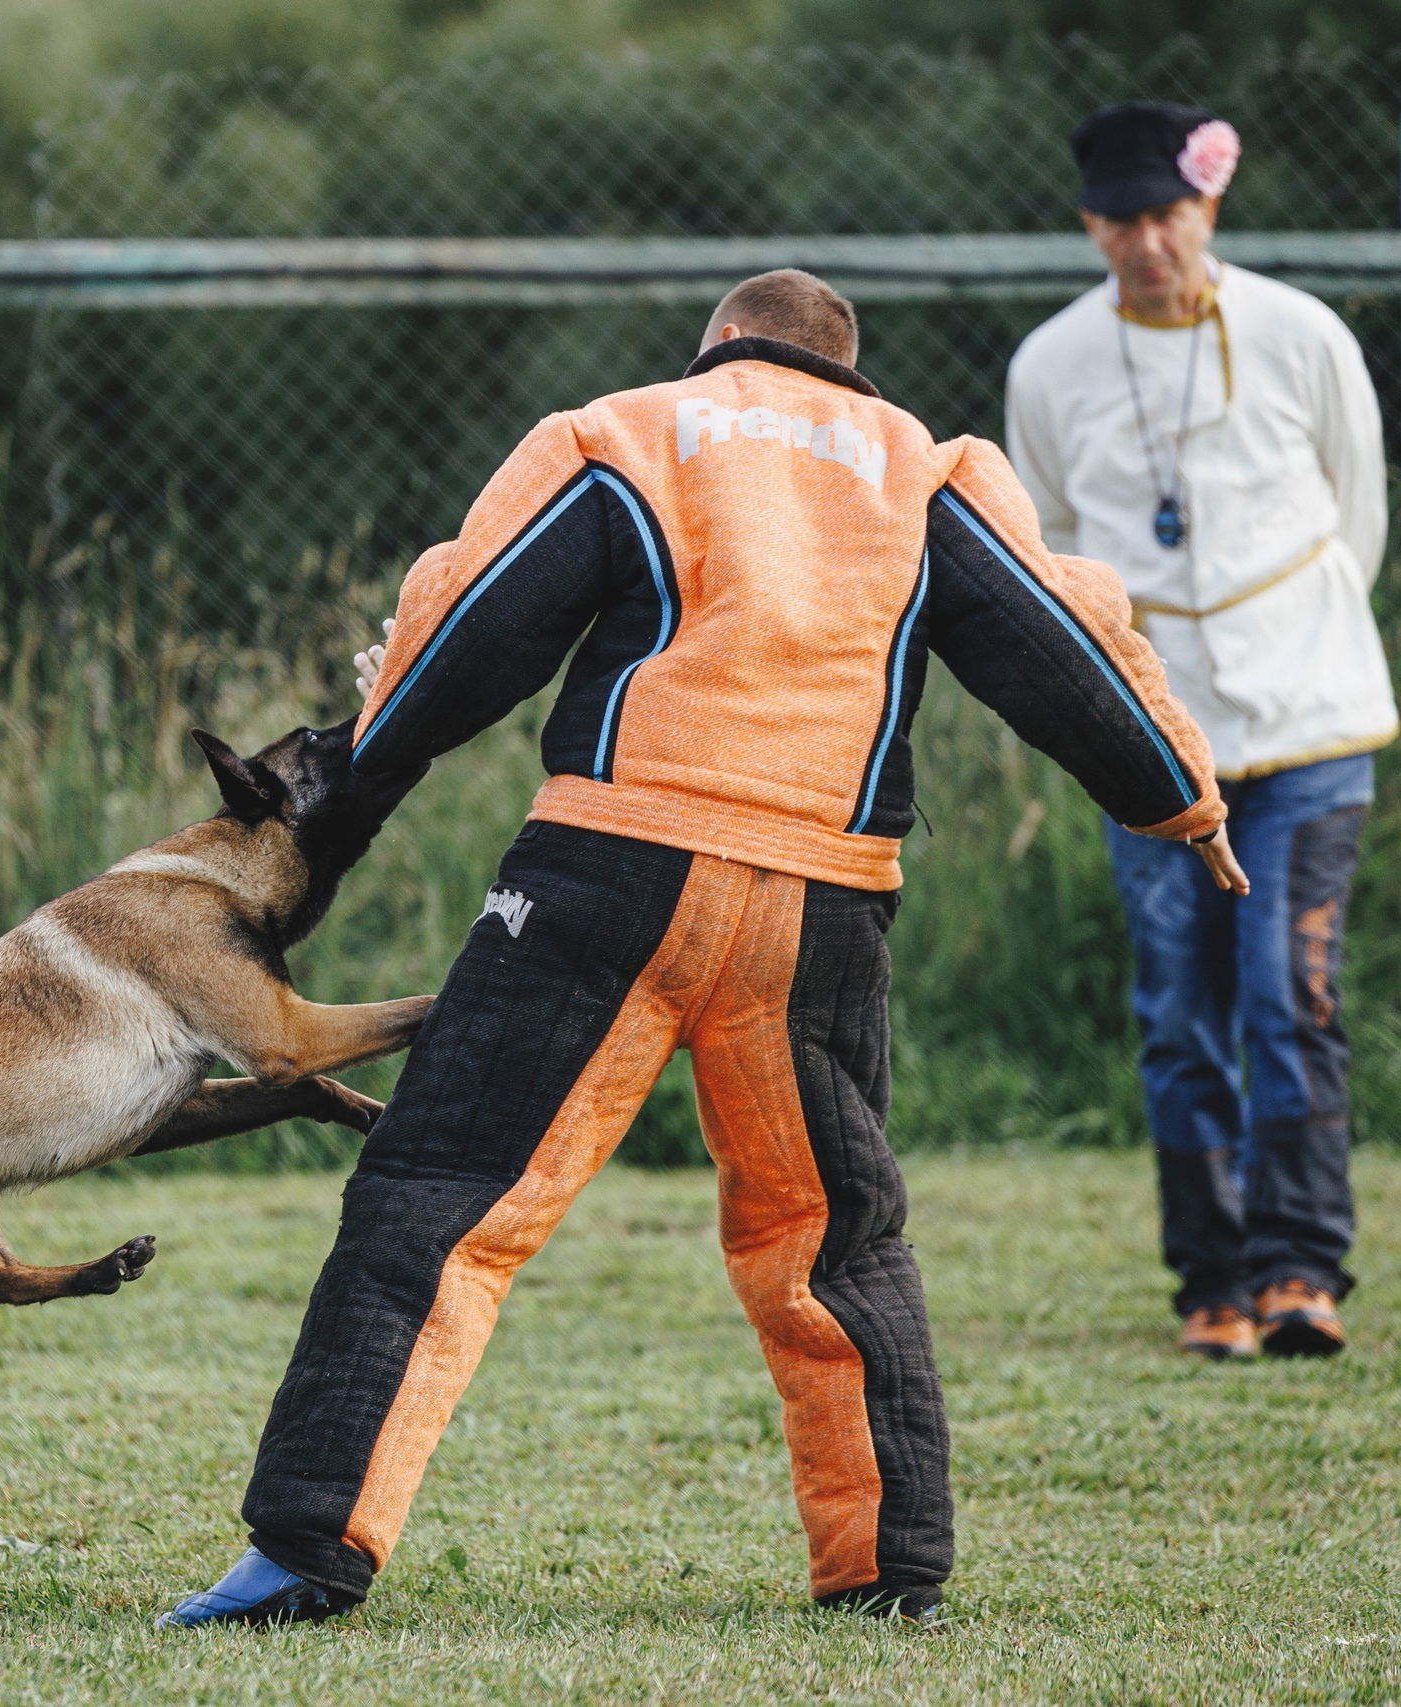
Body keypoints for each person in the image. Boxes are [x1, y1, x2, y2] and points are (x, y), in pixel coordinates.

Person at [159, 268, 1242, 1630]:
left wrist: (361, 776)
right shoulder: (929, 467)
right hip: (822, 899)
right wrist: (1179, 798)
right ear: (849, 368)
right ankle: (886, 1569)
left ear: (718, 344)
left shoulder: (629, 430)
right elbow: (1059, 641)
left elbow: (474, 621)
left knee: (439, 1200)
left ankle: (307, 1553)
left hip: (609, 869)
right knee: (831, 1233)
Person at [1005, 103, 1397, 1361]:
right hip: (1155, 745)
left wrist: (1287, 645)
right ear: (1090, 226)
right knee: (1180, 1010)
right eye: (1119, 220)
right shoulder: (1050, 365)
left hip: (1309, 717)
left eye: (1165, 215)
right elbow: (1050, 552)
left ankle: (1300, 1269)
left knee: (1290, 995)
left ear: (1206, 210)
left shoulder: (1300, 334)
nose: (1144, 242)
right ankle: (1211, 1281)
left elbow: (1359, 512)